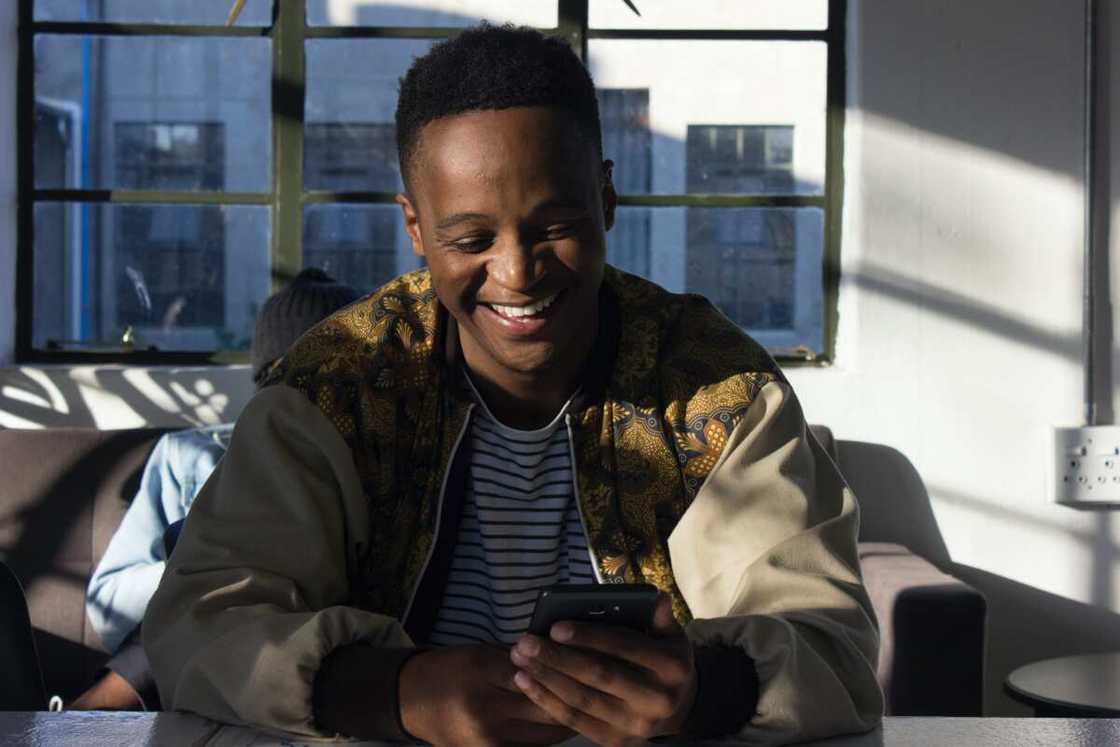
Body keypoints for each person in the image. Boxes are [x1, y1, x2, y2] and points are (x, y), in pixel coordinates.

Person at [144, 24, 883, 746]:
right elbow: (196, 627)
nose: (517, 272)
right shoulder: (335, 388)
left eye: (554, 224)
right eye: (470, 240)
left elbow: (835, 653)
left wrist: (700, 691)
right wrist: (395, 692)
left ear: (606, 200)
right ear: (415, 227)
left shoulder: (718, 392)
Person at [72, 269, 361, 711]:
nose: (305, 407)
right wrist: (205, 559)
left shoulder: (375, 464)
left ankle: (88, 715)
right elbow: (107, 600)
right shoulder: (189, 454)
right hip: (205, 664)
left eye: (331, 383)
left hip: (316, 649)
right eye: (290, 381)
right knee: (204, 609)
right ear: (265, 379)